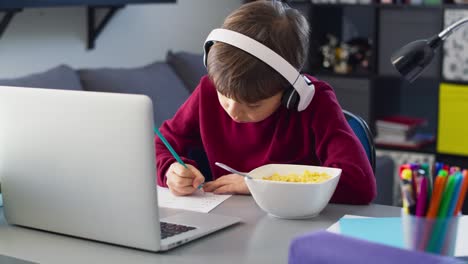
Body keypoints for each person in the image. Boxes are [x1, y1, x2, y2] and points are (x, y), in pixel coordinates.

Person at [155, 0, 376, 204]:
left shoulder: (315, 103)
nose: (234, 112)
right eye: (225, 96)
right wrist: (170, 170)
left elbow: (359, 185)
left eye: (253, 105)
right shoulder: (209, 90)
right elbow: (161, 144)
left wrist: (262, 185)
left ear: (290, 93)